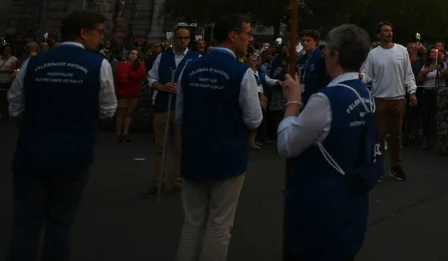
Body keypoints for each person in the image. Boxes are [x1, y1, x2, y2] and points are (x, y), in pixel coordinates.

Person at [6, 10, 117, 261]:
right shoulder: (98, 64)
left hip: (32, 151)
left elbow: (14, 104)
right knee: (60, 224)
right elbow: (108, 109)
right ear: (83, 33)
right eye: (99, 32)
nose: (101, 37)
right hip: (73, 153)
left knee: (25, 224)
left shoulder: (34, 62)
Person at [278, 24, 383, 261]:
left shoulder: (325, 99)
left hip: (321, 207)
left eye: (326, 51)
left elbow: (287, 144)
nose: (324, 55)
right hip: (352, 202)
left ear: (335, 56)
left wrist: (293, 102)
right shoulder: (364, 92)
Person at [175, 14, 262, 261]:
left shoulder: (190, 68)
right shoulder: (241, 72)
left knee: (192, 223)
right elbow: (254, 119)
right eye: (247, 33)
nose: (250, 39)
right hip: (227, 155)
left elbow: (180, 116)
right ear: (233, 36)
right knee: (219, 224)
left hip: (194, 153)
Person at [360, 22, 417, 181]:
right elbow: (367, 75)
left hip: (398, 98)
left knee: (396, 136)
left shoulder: (402, 51)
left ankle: (396, 167)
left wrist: (412, 92)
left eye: (390, 30)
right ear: (379, 35)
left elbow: (408, 74)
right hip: (379, 99)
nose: (389, 33)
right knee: (379, 136)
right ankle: (376, 168)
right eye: (385, 31)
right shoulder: (373, 54)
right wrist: (358, 78)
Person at [145, 26, 198, 196]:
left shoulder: (195, 58)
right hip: (163, 106)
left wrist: (181, 90)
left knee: (181, 148)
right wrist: (162, 87)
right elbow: (151, 78)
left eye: (186, 38)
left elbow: (197, 84)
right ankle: (158, 181)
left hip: (182, 109)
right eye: (179, 38)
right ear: (174, 39)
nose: (182, 41)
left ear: (190, 40)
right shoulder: (163, 56)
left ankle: (178, 181)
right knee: (161, 148)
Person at [297, 29, 325, 103]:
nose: (305, 43)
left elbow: (324, 80)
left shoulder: (321, 58)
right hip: (303, 95)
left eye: (308, 40)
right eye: (303, 40)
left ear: (316, 42)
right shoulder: (301, 59)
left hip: (316, 97)